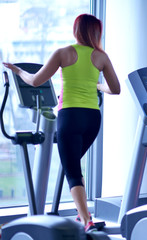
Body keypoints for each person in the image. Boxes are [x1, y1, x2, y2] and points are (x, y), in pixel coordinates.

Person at [3, 14, 120, 231]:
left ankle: (87, 221)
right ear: (96, 32)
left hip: (70, 116)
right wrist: (96, 86)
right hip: (93, 119)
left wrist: (18, 71)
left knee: (72, 170)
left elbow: (36, 80)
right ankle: (81, 214)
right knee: (73, 165)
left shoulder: (63, 53)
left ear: (77, 30)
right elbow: (115, 89)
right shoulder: (101, 56)